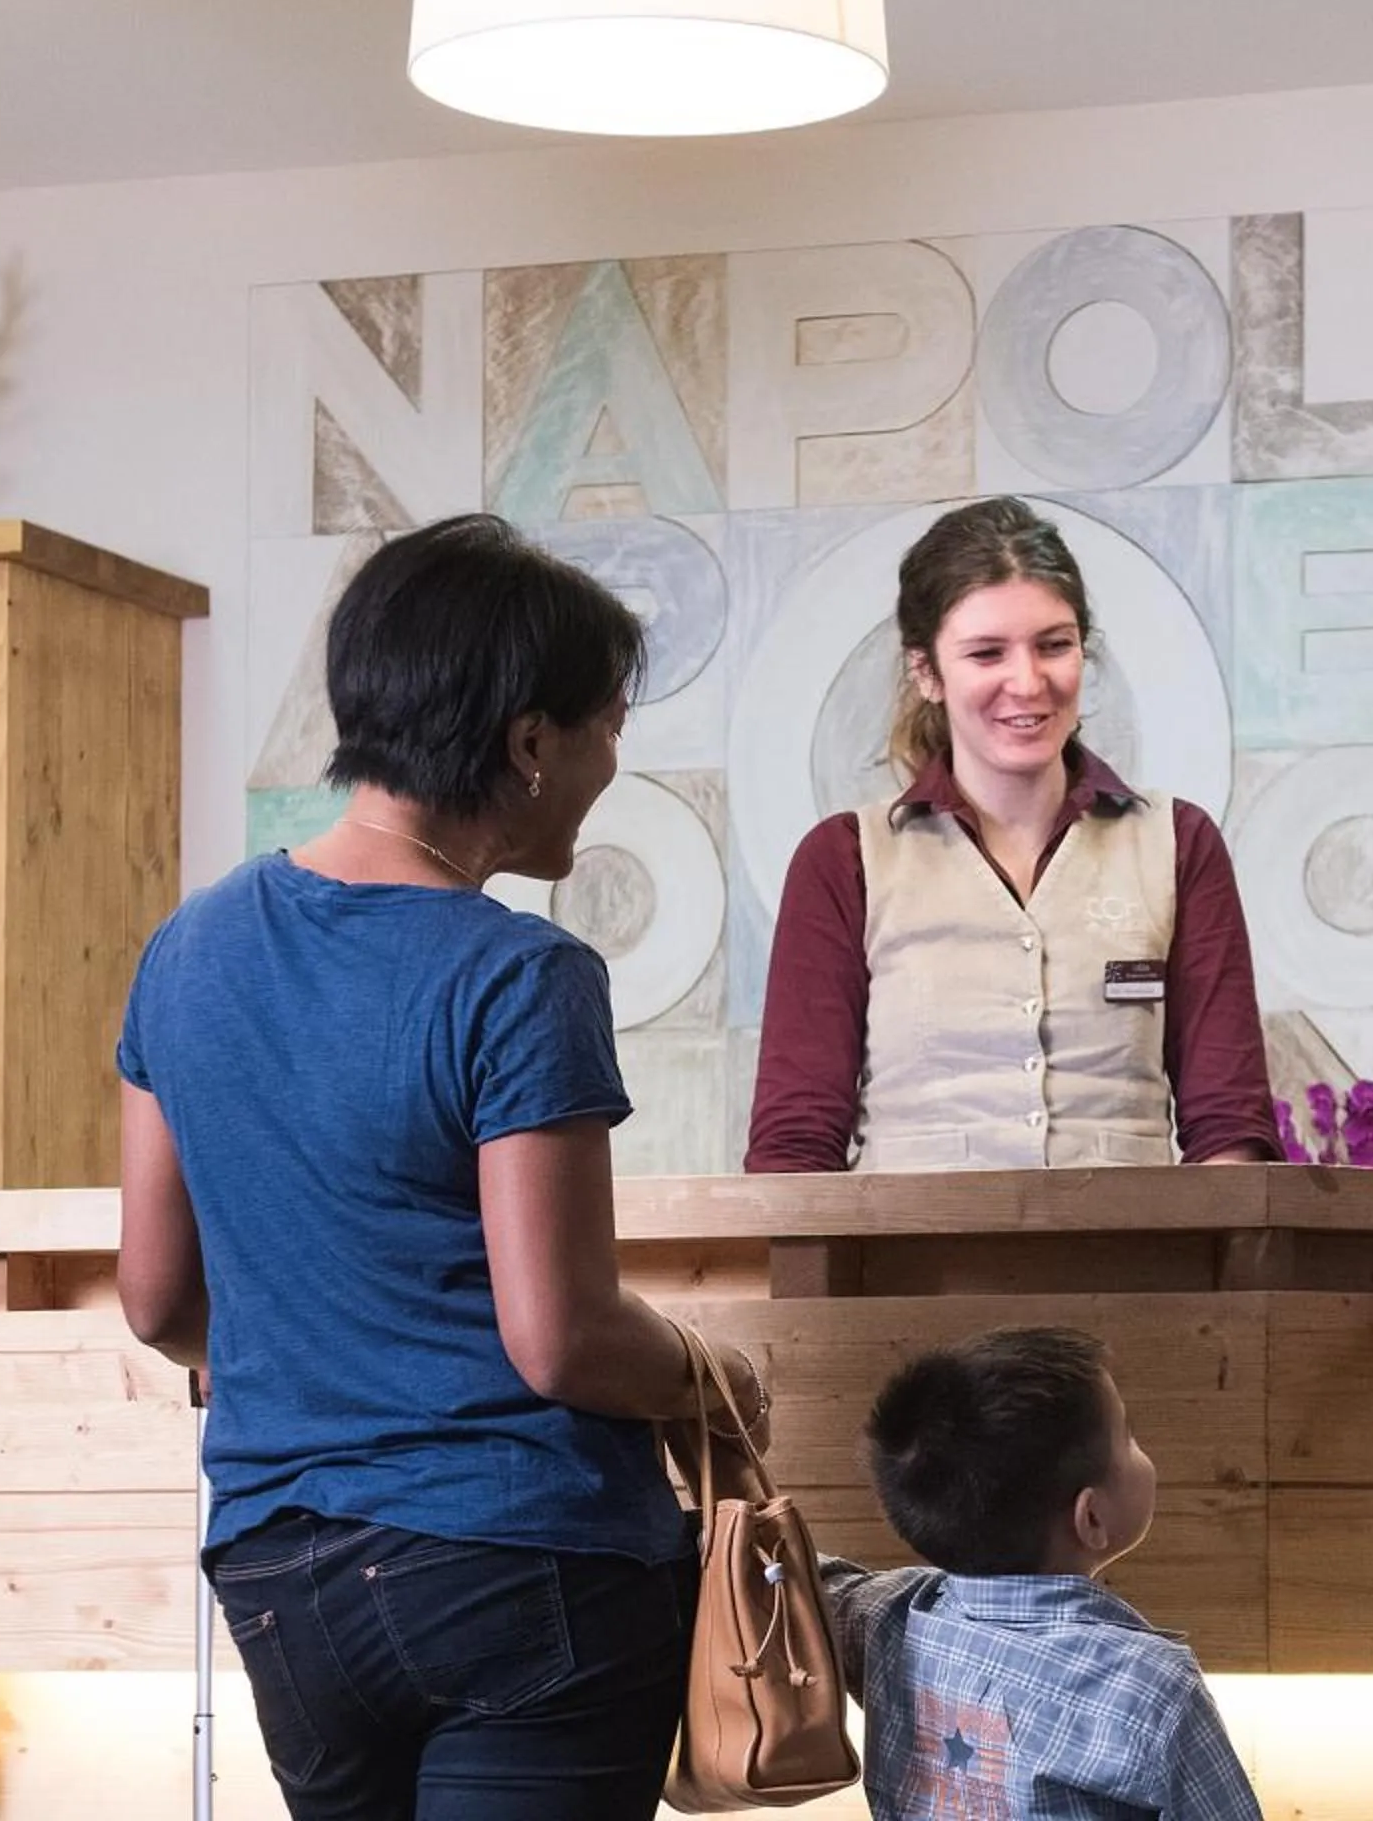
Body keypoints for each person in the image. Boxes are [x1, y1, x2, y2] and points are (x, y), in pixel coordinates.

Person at [114, 515, 768, 1821]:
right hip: (524, 1566)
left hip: (280, 1572)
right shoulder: (517, 975)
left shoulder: (187, 952)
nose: (608, 762)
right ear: (530, 744)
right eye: (608, 725)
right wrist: (715, 1378)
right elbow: (563, 1339)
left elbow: (159, 1303)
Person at [747, 496, 1276, 1171]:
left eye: (1054, 645)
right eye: (986, 653)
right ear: (926, 672)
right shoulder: (844, 860)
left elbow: (1231, 1126)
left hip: (1143, 1269)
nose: (1027, 682)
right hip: (905, 1273)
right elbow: (795, 1147)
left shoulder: (1179, 843)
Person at [821, 1326, 1262, 1820]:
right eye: (1129, 1435)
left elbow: (784, 1577)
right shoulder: (1151, 1689)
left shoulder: (890, 1617)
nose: (1142, 1447)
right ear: (1091, 1518)